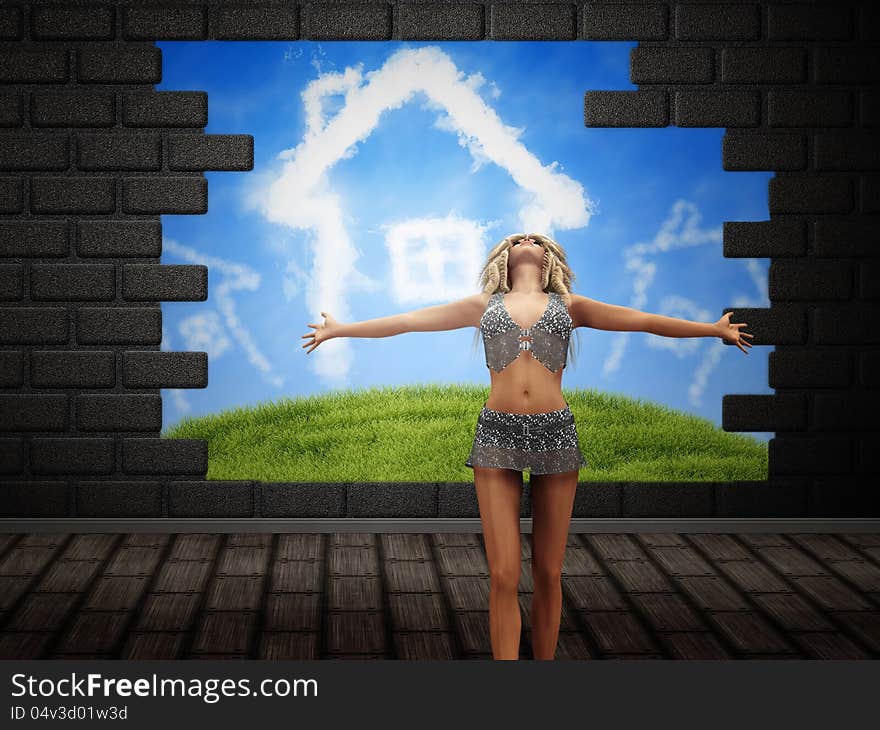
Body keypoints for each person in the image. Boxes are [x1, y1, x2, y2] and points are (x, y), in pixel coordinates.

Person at [301, 232, 753, 660]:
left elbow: (644, 321)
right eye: (518, 237)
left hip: (556, 431)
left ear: (550, 257)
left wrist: (712, 330)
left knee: (549, 573)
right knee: (502, 574)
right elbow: (406, 322)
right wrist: (341, 330)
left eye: (536, 238)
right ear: (503, 256)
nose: (526, 240)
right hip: (496, 433)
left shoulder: (570, 306)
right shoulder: (483, 305)